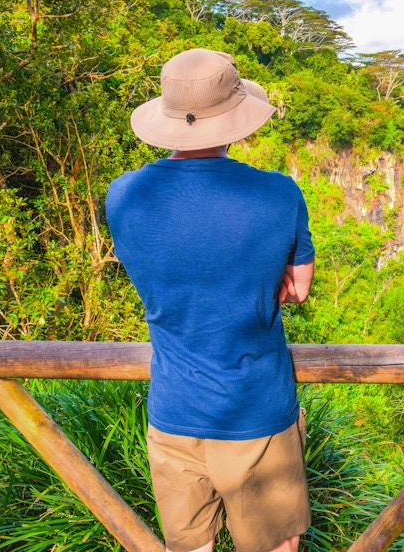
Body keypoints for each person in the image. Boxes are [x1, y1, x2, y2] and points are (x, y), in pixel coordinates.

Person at [105, 48, 315, 552]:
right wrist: (259, 281)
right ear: (235, 118)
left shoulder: (123, 194)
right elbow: (298, 288)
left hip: (173, 411)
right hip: (255, 411)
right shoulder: (278, 193)